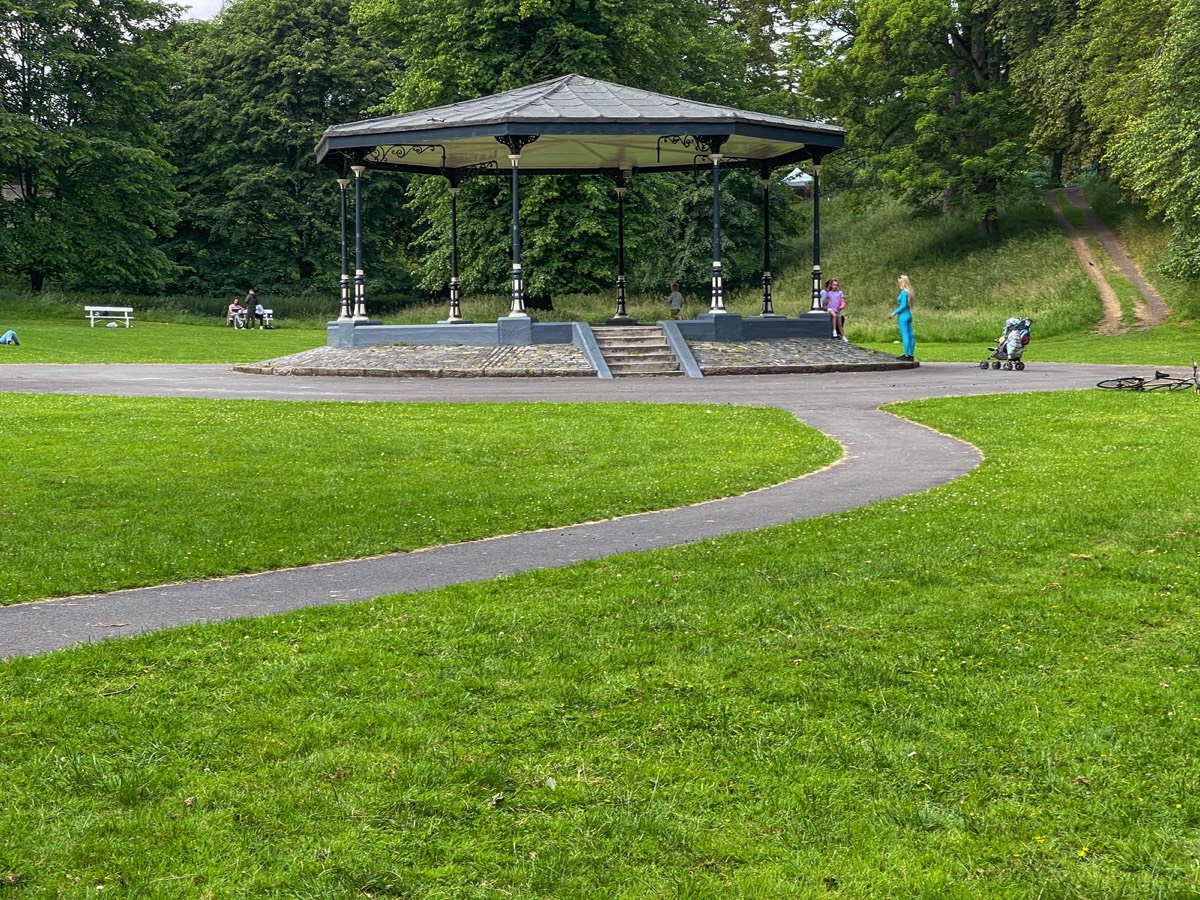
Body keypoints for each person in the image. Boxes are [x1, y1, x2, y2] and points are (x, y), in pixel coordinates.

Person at [887, 274, 916, 361]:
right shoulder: (909, 292)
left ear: (902, 283)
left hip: (903, 315)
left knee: (905, 335)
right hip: (908, 314)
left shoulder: (903, 292)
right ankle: (911, 354)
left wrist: (894, 313)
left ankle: (906, 355)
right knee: (911, 335)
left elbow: (903, 305)